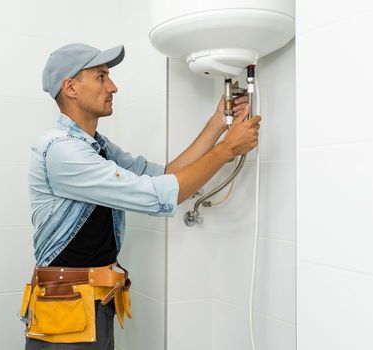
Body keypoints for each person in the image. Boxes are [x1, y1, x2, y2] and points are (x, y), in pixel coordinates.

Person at [23, 43, 260, 350]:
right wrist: (227, 149)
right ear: (70, 87)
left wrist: (217, 124)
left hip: (93, 304)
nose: (113, 86)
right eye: (101, 76)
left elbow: (163, 175)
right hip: (65, 309)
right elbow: (156, 195)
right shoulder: (62, 150)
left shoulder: (97, 146)